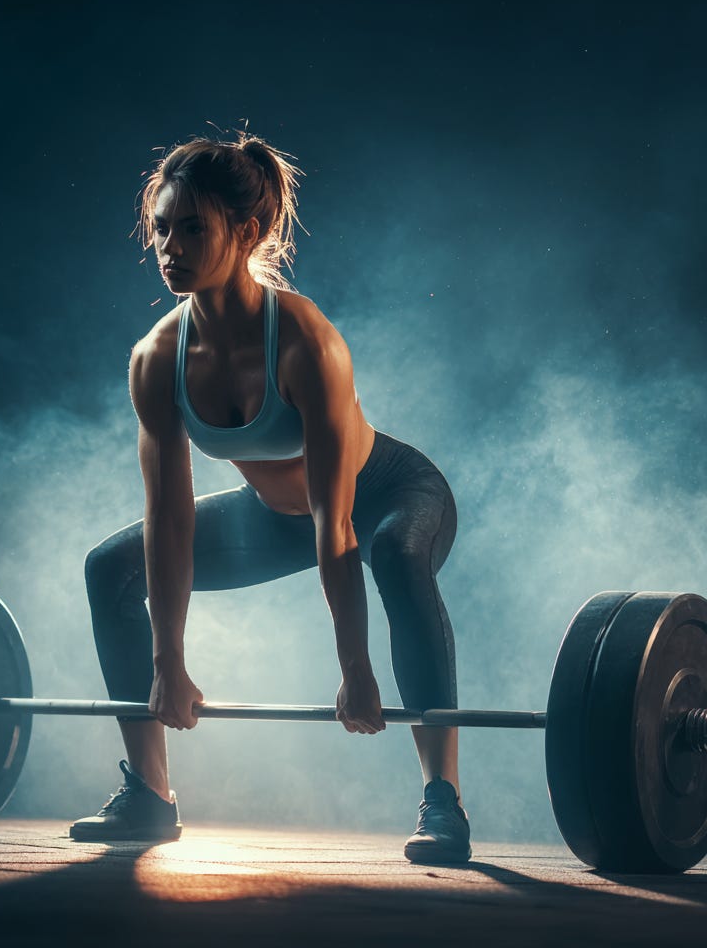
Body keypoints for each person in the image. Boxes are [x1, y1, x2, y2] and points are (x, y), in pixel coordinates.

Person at [69, 133, 470, 864]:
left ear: (247, 230)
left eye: (193, 228)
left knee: (392, 553)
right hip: (278, 519)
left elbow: (336, 524)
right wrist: (168, 662)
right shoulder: (157, 358)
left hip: (386, 495)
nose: (170, 248)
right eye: (161, 228)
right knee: (110, 568)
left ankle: (442, 800)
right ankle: (150, 795)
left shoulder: (304, 341)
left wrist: (355, 669)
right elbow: (170, 519)